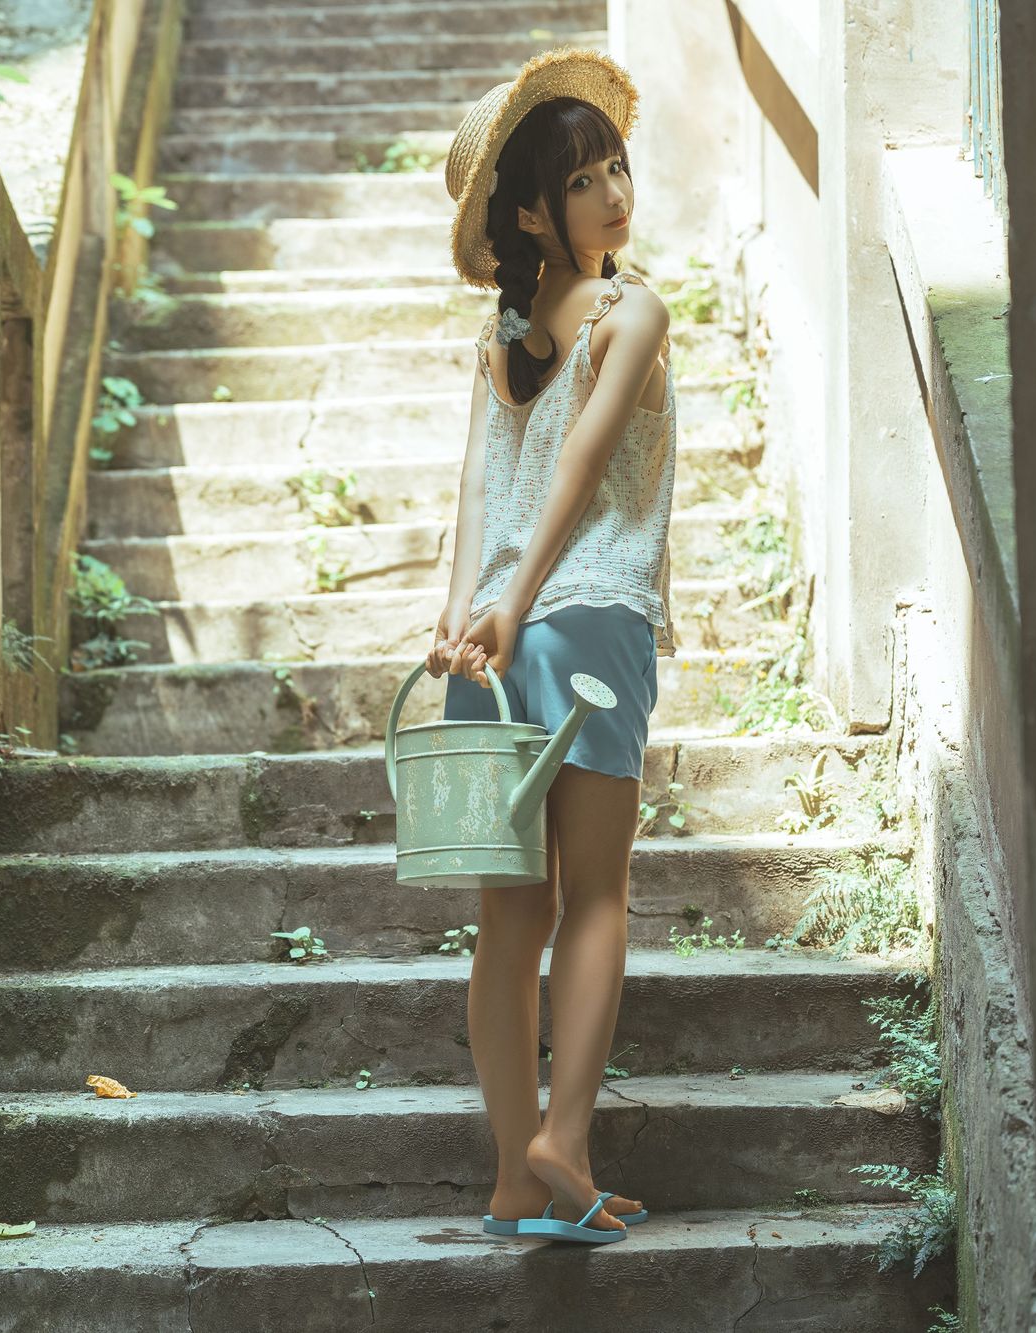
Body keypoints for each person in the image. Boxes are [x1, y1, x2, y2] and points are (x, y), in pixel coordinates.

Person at [424, 45, 679, 1246]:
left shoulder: (498, 348)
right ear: (530, 211)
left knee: (509, 917)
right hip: (579, 622)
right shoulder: (633, 313)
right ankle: (558, 1143)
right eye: (581, 180)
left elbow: (477, 496)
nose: (612, 193)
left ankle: (512, 1182)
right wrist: (514, 601)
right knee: (595, 897)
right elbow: (575, 468)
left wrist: (461, 618)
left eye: (615, 167)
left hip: (490, 643)